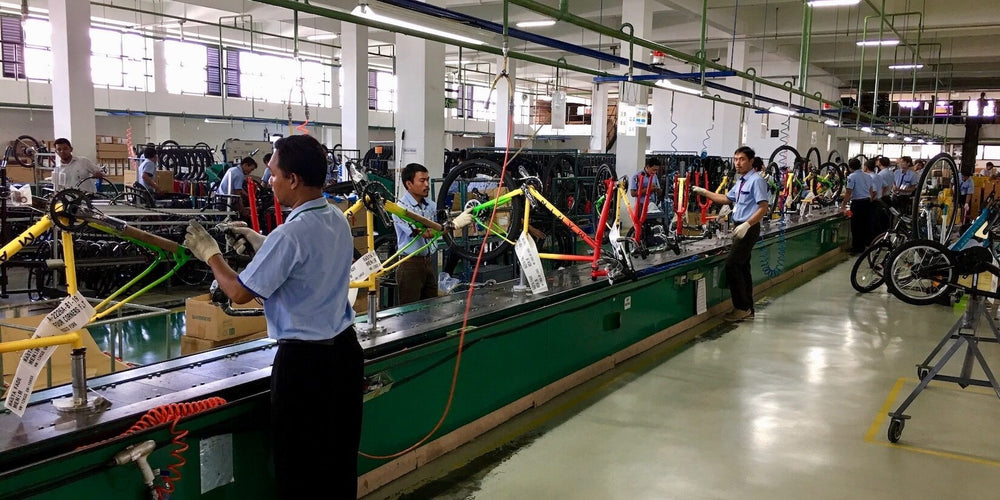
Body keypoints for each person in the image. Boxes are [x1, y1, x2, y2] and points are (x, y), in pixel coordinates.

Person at [183, 135, 362, 499]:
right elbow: (305, 260)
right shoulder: (336, 219)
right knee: (338, 463)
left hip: (305, 367)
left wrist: (210, 254)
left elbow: (238, 292)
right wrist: (259, 239)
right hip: (344, 357)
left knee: (298, 469)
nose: (268, 181)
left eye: (273, 173)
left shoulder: (291, 233)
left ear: (293, 179)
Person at [690, 146, 769, 322]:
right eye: (735, 159)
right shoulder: (741, 182)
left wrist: (747, 225)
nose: (737, 163)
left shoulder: (756, 181)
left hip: (749, 227)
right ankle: (747, 308)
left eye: (741, 159)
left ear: (750, 161)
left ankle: (741, 307)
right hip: (739, 225)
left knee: (732, 265)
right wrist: (704, 192)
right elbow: (726, 199)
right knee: (743, 267)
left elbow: (763, 208)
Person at [394, 163, 438, 305]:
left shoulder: (431, 206)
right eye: (422, 180)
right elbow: (424, 233)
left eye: (428, 180)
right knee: (410, 312)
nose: (427, 184)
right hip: (409, 265)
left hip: (428, 261)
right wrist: (443, 228)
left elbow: (440, 227)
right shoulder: (400, 208)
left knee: (430, 307)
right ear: (409, 184)